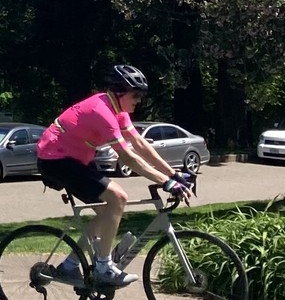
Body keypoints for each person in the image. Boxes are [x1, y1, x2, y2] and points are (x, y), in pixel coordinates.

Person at [36, 64, 188, 288]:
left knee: (109, 212)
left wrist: (173, 173)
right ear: (119, 92)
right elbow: (127, 158)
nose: (139, 100)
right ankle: (103, 267)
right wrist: (165, 182)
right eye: (136, 95)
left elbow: (139, 144)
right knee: (118, 197)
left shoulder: (118, 110)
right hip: (55, 160)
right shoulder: (102, 112)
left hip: (76, 159)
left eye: (142, 96)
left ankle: (68, 267)